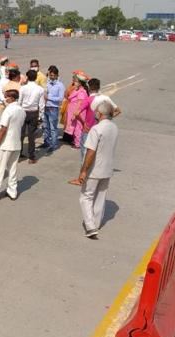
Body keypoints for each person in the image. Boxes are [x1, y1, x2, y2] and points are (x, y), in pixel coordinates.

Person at [71, 101, 118, 238]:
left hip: (95, 169)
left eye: (97, 111)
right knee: (100, 197)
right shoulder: (114, 127)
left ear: (100, 114)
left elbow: (90, 152)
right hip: (108, 168)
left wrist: (84, 170)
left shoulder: (96, 129)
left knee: (86, 196)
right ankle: (96, 223)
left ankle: (90, 226)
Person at [0, 89, 25, 201]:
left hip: (6, 144)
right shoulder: (21, 110)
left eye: (6, 97)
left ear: (12, 98)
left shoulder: (8, 110)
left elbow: (3, 129)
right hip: (17, 143)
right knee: (13, 169)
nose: (5, 99)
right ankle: (12, 192)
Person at [76, 78, 122, 161]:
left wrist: (83, 123)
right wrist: (107, 119)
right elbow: (118, 110)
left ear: (89, 88)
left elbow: (76, 113)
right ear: (99, 88)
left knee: (85, 154)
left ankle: (85, 171)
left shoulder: (87, 100)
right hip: (103, 129)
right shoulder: (106, 98)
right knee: (98, 154)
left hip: (88, 130)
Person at [18, 69, 46, 164]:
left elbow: (19, 102)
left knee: (20, 134)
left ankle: (19, 153)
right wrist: (41, 116)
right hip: (34, 113)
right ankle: (31, 157)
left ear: (27, 77)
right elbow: (42, 104)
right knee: (31, 136)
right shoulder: (40, 89)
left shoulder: (22, 88)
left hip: (23, 112)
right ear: (35, 78)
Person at [42, 65, 65, 152]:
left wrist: (49, 97)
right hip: (46, 106)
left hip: (53, 108)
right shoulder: (47, 83)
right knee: (46, 126)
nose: (50, 77)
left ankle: (54, 144)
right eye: (49, 75)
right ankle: (46, 142)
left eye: (52, 75)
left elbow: (60, 98)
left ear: (56, 75)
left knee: (53, 127)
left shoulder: (60, 85)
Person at [64, 71, 90, 148]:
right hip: (74, 112)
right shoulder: (77, 89)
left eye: (76, 81)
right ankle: (76, 141)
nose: (74, 82)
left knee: (78, 128)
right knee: (75, 127)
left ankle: (78, 143)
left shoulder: (81, 92)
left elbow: (79, 104)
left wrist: (75, 113)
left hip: (78, 113)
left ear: (80, 83)